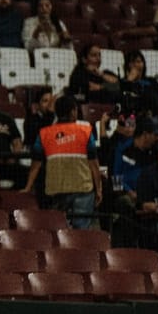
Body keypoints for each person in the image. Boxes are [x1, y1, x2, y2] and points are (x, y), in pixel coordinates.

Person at [21, 95, 101, 228]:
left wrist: (28, 187)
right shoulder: (85, 131)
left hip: (56, 190)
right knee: (80, 233)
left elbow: (36, 164)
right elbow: (94, 164)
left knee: (58, 230)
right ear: (73, 111)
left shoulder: (44, 133)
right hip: (83, 189)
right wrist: (99, 189)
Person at [66, 42, 119, 106]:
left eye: (99, 55)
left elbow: (119, 85)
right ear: (84, 59)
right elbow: (89, 88)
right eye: (94, 55)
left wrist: (101, 78)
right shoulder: (78, 73)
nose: (98, 58)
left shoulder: (104, 73)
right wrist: (108, 87)